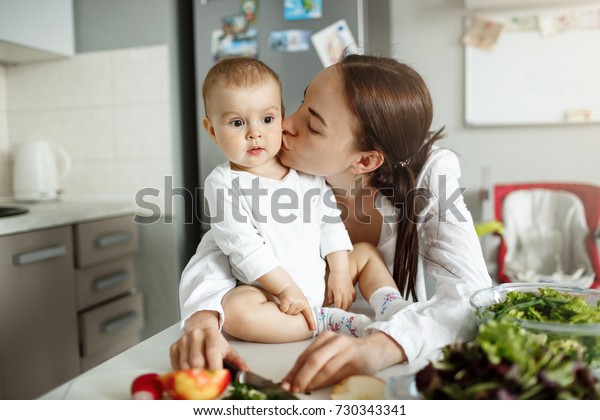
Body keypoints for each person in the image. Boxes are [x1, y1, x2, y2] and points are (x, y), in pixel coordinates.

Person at [171, 54, 492, 392]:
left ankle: (390, 308)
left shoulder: (430, 174)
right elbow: (226, 244)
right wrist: (202, 319)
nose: (283, 124)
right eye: (299, 102)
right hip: (293, 322)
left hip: (384, 347)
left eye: (312, 125)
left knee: (364, 254)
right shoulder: (272, 162)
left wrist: (381, 346)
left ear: (365, 160)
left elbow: (472, 297)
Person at [200, 56, 398, 343]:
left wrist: (340, 272)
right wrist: (284, 290)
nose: (254, 133)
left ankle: (392, 306)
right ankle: (321, 322)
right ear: (212, 130)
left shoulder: (303, 172)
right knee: (234, 312)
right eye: (237, 123)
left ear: (280, 117)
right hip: (268, 292)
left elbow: (329, 221)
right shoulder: (224, 184)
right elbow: (244, 247)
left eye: (267, 119)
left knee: (365, 253)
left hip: (319, 277)